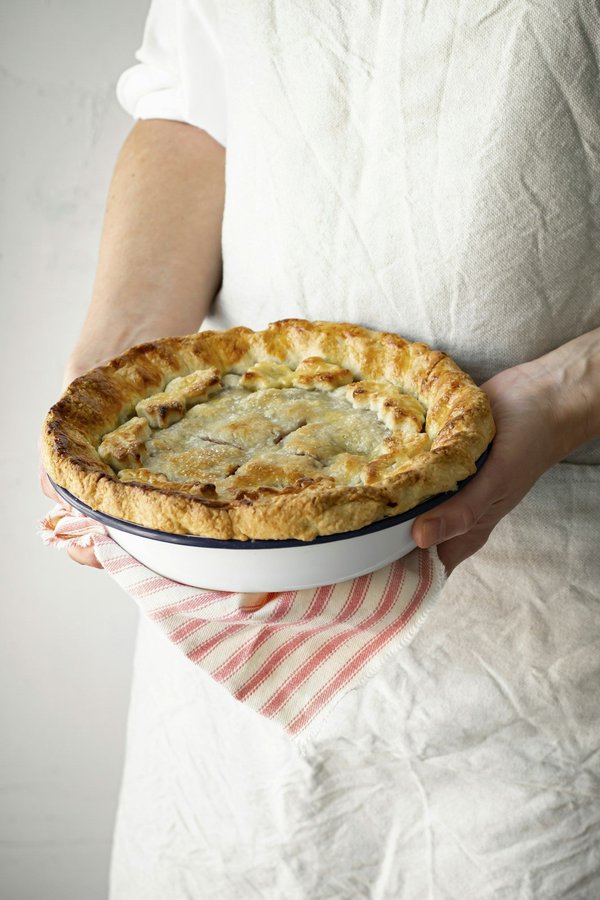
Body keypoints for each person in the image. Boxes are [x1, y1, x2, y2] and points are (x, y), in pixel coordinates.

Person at [42, 1, 600, 896]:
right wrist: (113, 388)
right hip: (228, 585)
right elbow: (193, 110)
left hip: (548, 608)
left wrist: (569, 392)